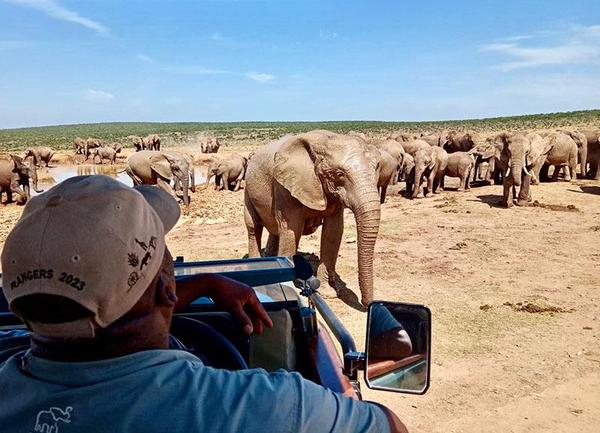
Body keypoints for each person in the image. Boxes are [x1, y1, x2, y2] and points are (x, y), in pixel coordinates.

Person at [0, 175, 406, 433]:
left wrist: (206, 282)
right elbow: (391, 426)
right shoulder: (261, 408)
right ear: (165, 287)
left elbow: (94, 320)